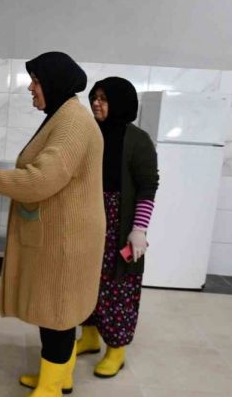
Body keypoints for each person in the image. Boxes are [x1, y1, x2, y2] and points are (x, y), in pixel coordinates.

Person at [0, 51, 105, 396]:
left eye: (36, 81)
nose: (31, 88)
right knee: (56, 311)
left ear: (53, 82)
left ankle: (51, 388)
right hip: (62, 234)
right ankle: (59, 377)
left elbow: (40, 179)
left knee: (57, 313)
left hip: (66, 239)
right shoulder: (64, 115)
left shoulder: (72, 123)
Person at [74, 77, 159, 378]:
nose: (96, 103)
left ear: (120, 103)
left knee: (118, 289)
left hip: (119, 226)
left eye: (104, 98)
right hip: (89, 220)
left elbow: (148, 186)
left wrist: (139, 229)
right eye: (94, 97)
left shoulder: (138, 140)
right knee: (86, 281)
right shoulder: (90, 133)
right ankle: (89, 337)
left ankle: (116, 350)